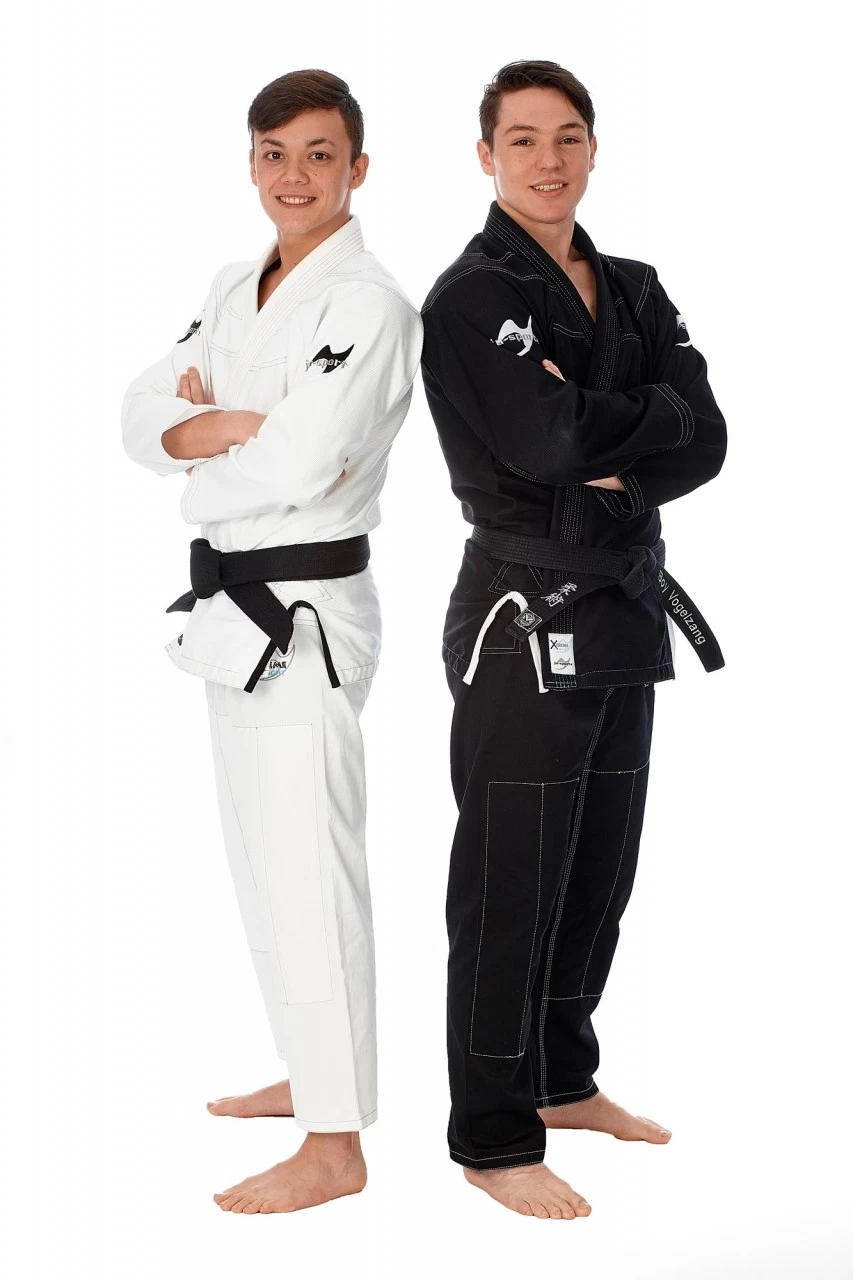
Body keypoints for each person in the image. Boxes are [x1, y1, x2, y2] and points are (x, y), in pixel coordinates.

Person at [421, 60, 726, 1220]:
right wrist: (647, 420)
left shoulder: (635, 286)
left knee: (599, 864)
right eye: (522, 139)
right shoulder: (470, 294)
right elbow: (545, 444)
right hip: (524, 613)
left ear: (593, 148)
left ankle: (560, 1079)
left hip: (625, 601)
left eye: (566, 137)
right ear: (486, 156)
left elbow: (709, 437)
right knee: (510, 878)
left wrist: (624, 446)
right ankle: (492, 1134)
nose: (546, 160)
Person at [122, 69, 422, 1214]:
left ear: (358, 167)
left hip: (304, 612)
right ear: (251, 162)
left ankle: (336, 1143)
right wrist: (216, 427)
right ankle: (310, 1069)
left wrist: (202, 449)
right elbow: (137, 413)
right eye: (273, 152)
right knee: (260, 862)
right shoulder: (231, 285)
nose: (294, 175)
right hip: (228, 614)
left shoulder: (371, 305)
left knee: (311, 870)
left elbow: (299, 463)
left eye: (318, 152)